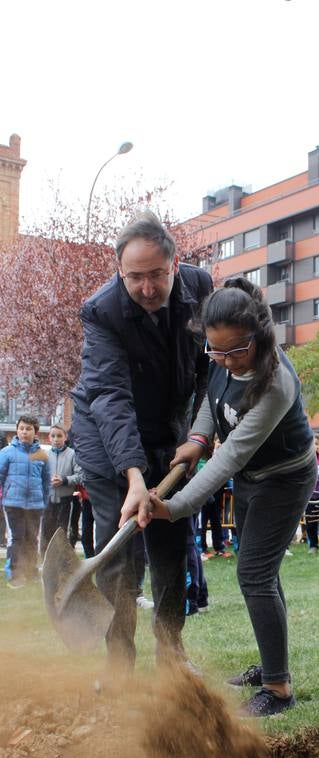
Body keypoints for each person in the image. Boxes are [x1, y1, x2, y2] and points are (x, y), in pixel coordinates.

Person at [148, 276, 317, 717]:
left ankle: (278, 689)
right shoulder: (224, 356)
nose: (224, 360)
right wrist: (198, 437)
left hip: (284, 479)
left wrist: (176, 507)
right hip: (252, 477)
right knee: (263, 573)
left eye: (235, 351)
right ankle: (272, 664)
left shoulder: (276, 383)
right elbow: (211, 395)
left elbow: (232, 456)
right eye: (215, 351)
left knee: (255, 574)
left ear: (259, 337)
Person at [70, 210, 212, 674]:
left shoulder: (201, 289)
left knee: (172, 537)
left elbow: (209, 368)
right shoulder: (101, 311)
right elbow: (110, 396)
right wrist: (133, 476)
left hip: (168, 429)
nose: (147, 288)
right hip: (104, 434)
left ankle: (171, 654)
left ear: (175, 265)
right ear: (119, 271)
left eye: (157, 275)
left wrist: (200, 431)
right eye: (135, 277)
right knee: (119, 547)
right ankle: (119, 663)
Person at [0, 415, 49, 589]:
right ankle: (15, 575)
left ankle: (31, 573)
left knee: (32, 539)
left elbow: (46, 482)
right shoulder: (7, 452)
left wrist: (44, 502)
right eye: (21, 428)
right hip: (13, 504)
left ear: (36, 432)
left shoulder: (42, 455)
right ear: (17, 430)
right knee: (17, 539)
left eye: (28, 429)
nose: (24, 432)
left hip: (35, 505)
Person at [40, 423, 82, 556]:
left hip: (66, 501)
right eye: (53, 436)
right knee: (46, 532)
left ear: (65, 437)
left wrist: (64, 480)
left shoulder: (72, 454)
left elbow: (80, 476)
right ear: (49, 438)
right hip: (48, 501)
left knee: (62, 533)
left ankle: (62, 560)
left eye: (59, 436)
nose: (56, 439)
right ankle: (44, 560)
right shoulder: (45, 455)